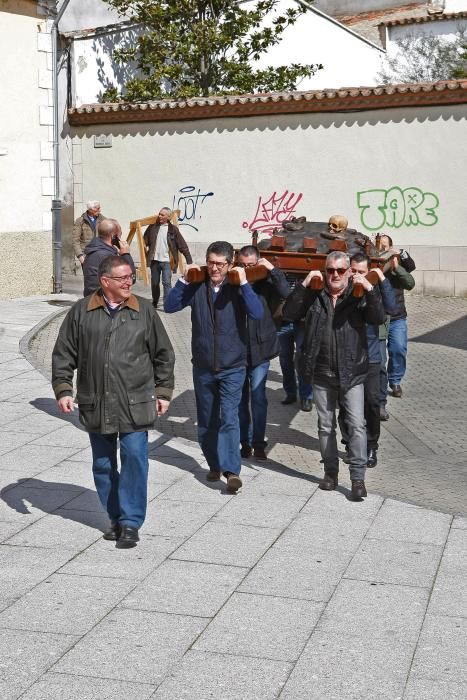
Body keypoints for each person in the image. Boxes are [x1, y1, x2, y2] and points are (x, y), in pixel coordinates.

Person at [52, 256, 175, 549]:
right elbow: (63, 353)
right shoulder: (82, 311)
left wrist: (163, 392)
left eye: (131, 276)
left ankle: (131, 522)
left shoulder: (143, 310)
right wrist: (63, 388)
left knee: (135, 459)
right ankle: (115, 517)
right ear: (104, 281)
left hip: (136, 401)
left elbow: (163, 355)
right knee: (104, 464)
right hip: (96, 401)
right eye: (122, 278)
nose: (129, 282)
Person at [283, 251, 384, 500]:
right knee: (325, 425)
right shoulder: (315, 294)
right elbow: (289, 313)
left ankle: (358, 478)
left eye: (340, 270)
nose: (335, 275)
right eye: (330, 270)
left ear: (350, 271)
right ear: (324, 271)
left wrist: (370, 289)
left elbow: (378, 317)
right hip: (321, 370)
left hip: (352, 372)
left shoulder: (357, 295)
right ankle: (330, 473)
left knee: (357, 425)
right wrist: (305, 285)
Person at [164, 241, 263, 493]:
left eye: (220, 264)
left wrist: (243, 284)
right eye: (211, 263)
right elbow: (170, 306)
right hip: (204, 366)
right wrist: (184, 281)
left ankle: (232, 471)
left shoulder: (237, 287)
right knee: (207, 420)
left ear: (230, 264)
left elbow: (257, 313)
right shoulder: (198, 286)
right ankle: (214, 464)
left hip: (233, 367)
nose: (214, 268)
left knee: (229, 417)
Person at [339, 253, 398, 468]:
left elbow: (392, 308)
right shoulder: (342, 289)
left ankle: (371, 445)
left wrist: (379, 279)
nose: (356, 276)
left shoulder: (375, 290)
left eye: (361, 272)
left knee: (372, 403)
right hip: (346, 356)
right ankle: (350, 444)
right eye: (353, 271)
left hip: (371, 356)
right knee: (345, 405)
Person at [236, 245, 290, 460]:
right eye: (243, 265)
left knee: (258, 398)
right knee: (240, 400)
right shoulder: (234, 282)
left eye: (251, 265)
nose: (247, 270)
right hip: (238, 351)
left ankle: (259, 442)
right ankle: (244, 441)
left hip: (260, 350)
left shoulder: (267, 282)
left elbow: (286, 292)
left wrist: (272, 270)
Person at [378, 234, 416, 404]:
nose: (382, 249)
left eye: (385, 246)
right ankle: (379, 384)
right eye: (379, 246)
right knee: (379, 356)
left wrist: (397, 264)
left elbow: (410, 281)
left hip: (397, 317)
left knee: (398, 349)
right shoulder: (373, 264)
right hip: (380, 318)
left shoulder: (398, 264)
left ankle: (395, 381)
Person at [144, 207, 193, 308]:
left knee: (166, 283)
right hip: (155, 260)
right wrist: (145, 249)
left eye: (162, 215)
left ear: (168, 217)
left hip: (167, 261)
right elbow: (145, 240)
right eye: (159, 214)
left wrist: (189, 261)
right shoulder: (152, 227)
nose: (159, 216)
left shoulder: (173, 229)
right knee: (154, 283)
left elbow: (182, 245)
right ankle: (155, 302)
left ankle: (167, 304)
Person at [82, 218, 135, 297]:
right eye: (120, 235)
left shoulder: (92, 249)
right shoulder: (108, 257)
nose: (120, 239)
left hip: (91, 296)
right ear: (114, 236)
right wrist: (126, 254)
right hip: (103, 300)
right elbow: (131, 279)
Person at [72, 200, 105, 265]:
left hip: (100, 254)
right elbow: (75, 241)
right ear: (90, 209)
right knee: (88, 275)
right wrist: (80, 256)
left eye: (99, 208)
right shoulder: (80, 221)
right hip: (86, 255)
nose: (100, 210)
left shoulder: (103, 220)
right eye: (97, 208)